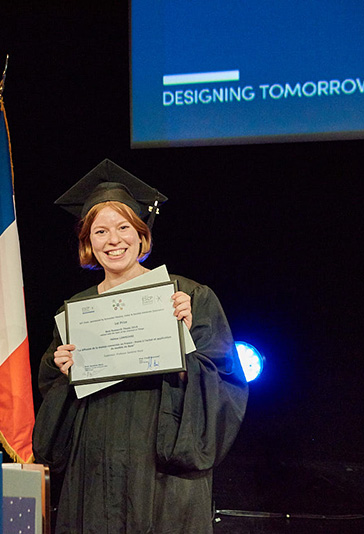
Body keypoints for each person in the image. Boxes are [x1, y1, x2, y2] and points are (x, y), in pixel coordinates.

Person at [33, 159, 248, 533]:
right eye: (100, 231)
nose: (113, 240)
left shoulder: (187, 296)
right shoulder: (75, 312)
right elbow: (53, 393)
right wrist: (60, 366)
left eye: (123, 227)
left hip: (162, 460)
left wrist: (185, 345)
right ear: (88, 242)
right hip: (94, 461)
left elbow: (225, 377)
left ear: (141, 233)